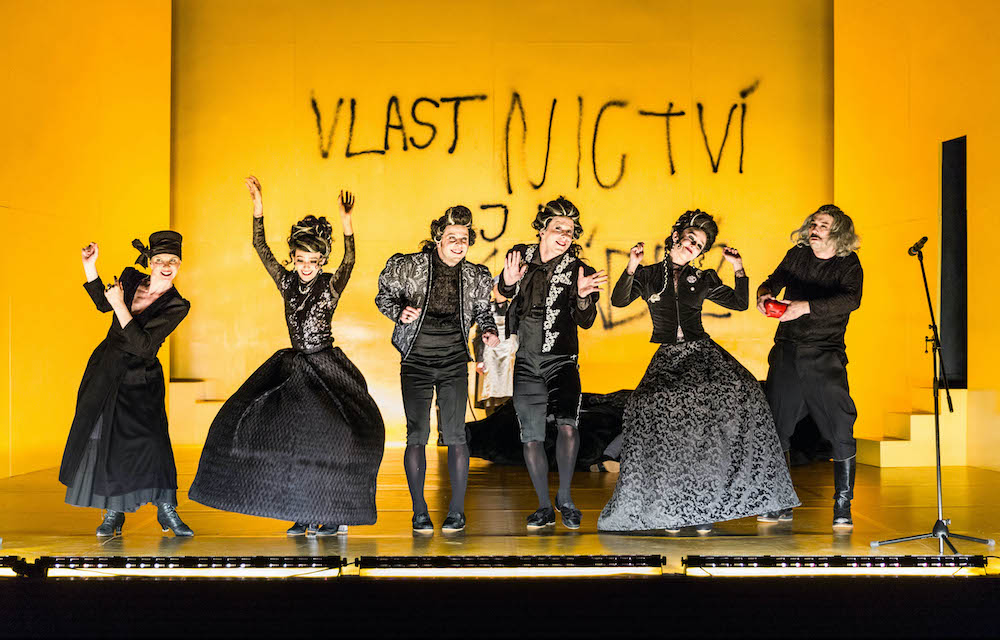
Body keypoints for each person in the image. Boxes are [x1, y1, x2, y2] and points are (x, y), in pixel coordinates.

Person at [189, 176, 384, 537]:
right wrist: (258, 205)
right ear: (292, 259)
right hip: (295, 368)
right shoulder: (287, 282)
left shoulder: (330, 286)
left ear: (322, 261)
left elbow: (350, 260)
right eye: (300, 260)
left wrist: (347, 223)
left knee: (331, 440)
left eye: (313, 261)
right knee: (289, 439)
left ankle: (334, 514)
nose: (306, 266)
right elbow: (260, 246)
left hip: (325, 368)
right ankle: (302, 513)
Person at [597, 210, 799, 533]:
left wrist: (738, 268)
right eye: (692, 239)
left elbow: (739, 303)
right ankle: (670, 509)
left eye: (700, 246)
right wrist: (632, 265)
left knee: (743, 392)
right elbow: (619, 301)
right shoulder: (649, 275)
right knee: (645, 406)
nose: (694, 247)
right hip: (668, 357)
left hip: (700, 353)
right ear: (677, 236)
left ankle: (712, 507)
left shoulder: (702, 278)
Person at [60, 231, 193, 537]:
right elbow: (102, 304)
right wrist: (90, 267)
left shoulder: (177, 305)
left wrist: (120, 304)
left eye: (173, 260)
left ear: (180, 264)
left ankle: (166, 508)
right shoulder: (131, 278)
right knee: (109, 441)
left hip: (141, 377)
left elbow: (143, 345)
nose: (167, 266)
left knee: (155, 443)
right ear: (150, 261)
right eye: (160, 260)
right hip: (107, 370)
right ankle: (113, 513)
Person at [375, 206, 498, 534]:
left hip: (453, 360)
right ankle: (419, 512)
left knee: (456, 434)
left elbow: (483, 312)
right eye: (452, 238)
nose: (458, 244)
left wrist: (488, 332)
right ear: (438, 239)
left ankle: (456, 512)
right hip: (416, 359)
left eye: (464, 239)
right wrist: (399, 312)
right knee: (417, 434)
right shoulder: (409, 267)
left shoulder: (476, 275)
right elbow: (383, 297)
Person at [496, 197, 607, 530]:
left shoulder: (579, 270)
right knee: (530, 436)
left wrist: (583, 296)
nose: (564, 235)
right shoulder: (519, 255)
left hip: (561, 359)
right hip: (526, 360)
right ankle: (544, 506)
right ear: (542, 230)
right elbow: (503, 292)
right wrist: (508, 281)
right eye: (558, 228)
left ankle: (565, 498)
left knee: (567, 425)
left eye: (570, 231)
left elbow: (586, 320)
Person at [756, 204, 862, 530]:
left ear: (838, 232)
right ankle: (781, 501)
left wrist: (804, 307)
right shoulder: (798, 254)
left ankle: (842, 504)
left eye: (823, 225)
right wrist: (764, 295)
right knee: (777, 427)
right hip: (787, 351)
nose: (815, 230)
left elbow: (851, 300)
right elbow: (773, 280)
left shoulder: (849, 264)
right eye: (813, 224)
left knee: (841, 427)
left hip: (825, 354)